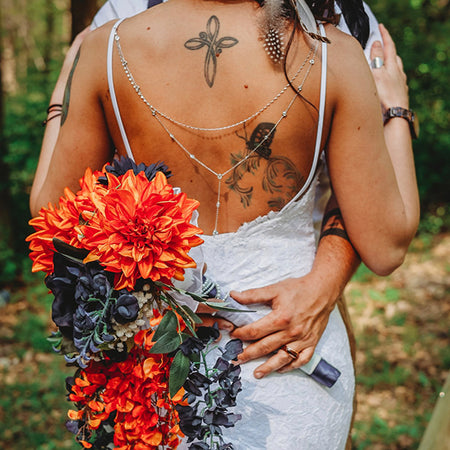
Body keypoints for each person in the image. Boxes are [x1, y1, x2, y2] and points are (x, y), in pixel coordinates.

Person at [30, 0, 419, 447]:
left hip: (159, 381)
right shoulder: (335, 54)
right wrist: (396, 111)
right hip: (291, 363)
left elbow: (53, 216)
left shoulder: (106, 49)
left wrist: (60, 100)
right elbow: (386, 246)